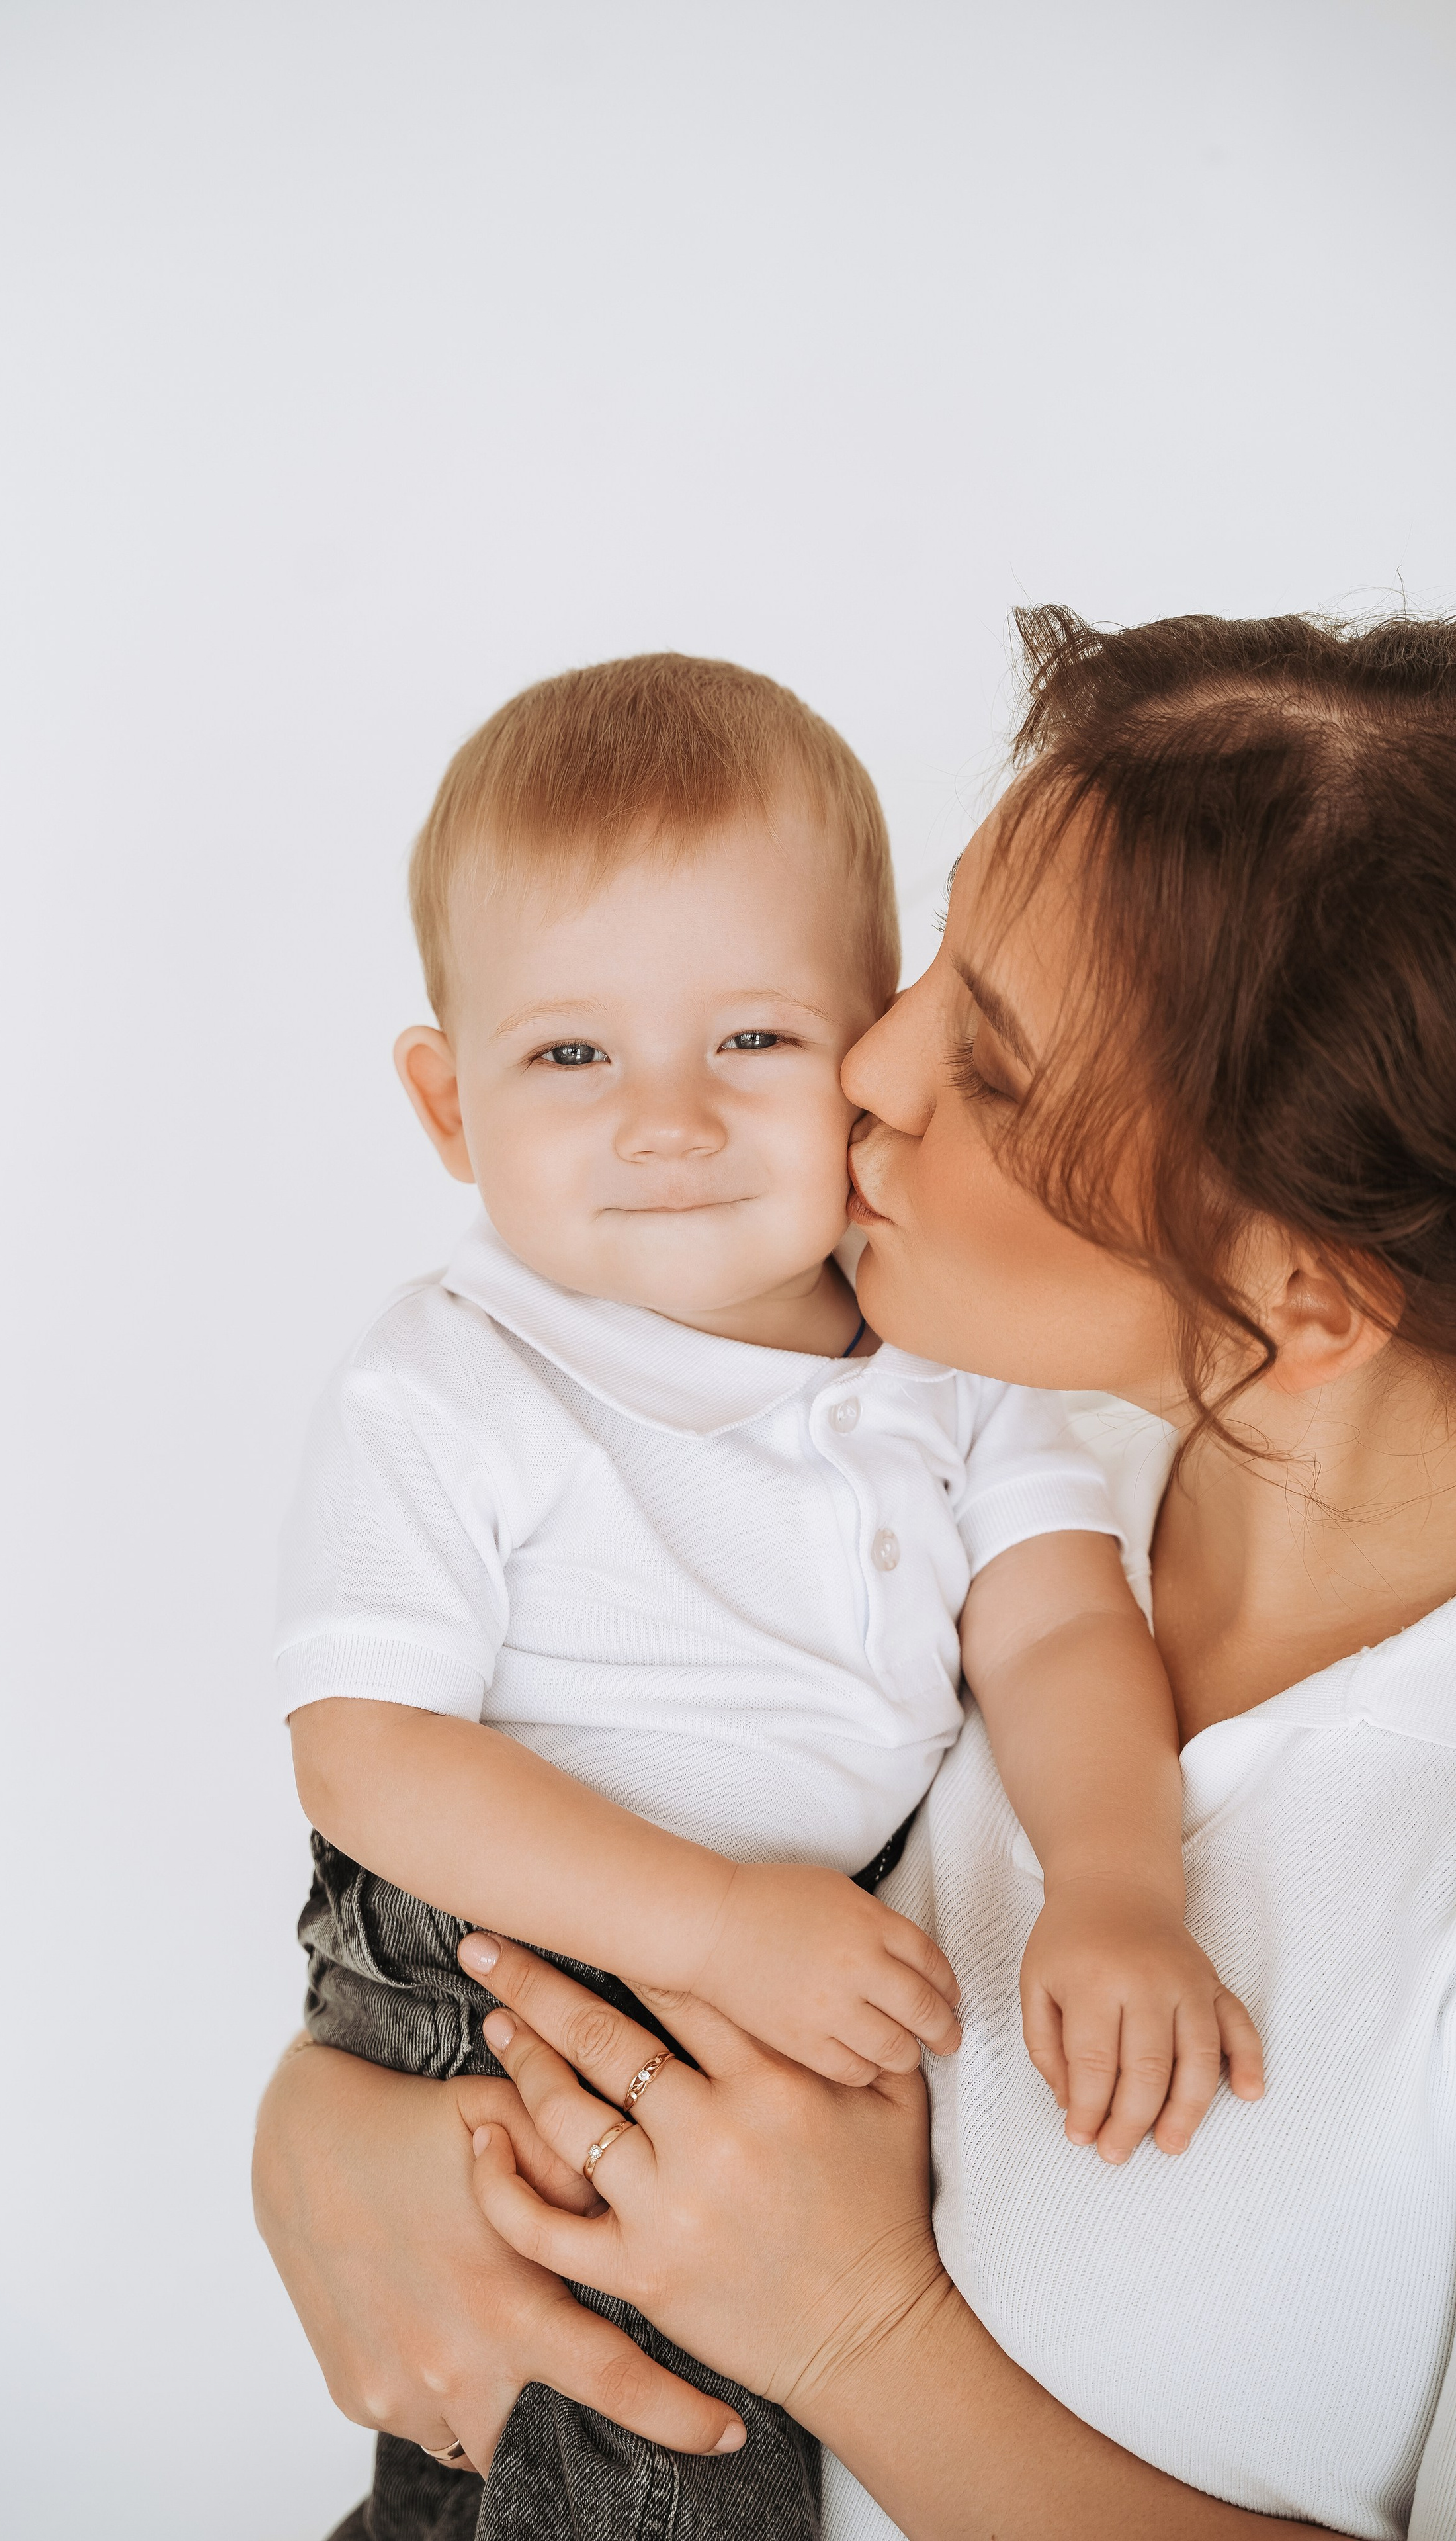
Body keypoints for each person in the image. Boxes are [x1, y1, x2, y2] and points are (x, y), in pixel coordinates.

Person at [255, 604, 1456, 2537]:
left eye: (991, 1054)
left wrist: (858, 2331)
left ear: (1293, 1291)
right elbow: (435, 1786)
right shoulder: (1034, 1421)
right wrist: (327, 2129)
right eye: (932, 967)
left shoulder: (1000, 1457)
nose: (863, 1064)